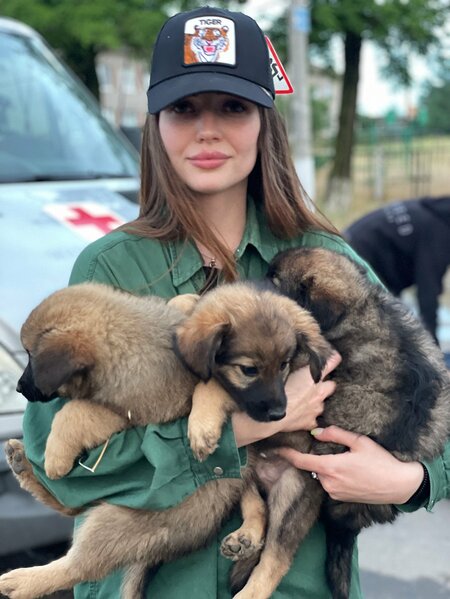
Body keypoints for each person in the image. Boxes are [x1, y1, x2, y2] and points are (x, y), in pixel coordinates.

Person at [21, 6, 450, 599]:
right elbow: (57, 469)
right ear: (155, 123)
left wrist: (411, 480)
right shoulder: (109, 269)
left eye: (233, 107)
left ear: (264, 121)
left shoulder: (322, 262)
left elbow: (431, 395)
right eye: (183, 108)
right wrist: (239, 430)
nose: (207, 130)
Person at [344, 196, 450, 345]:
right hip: (357, 263)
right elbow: (428, 292)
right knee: (388, 335)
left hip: (352, 248)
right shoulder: (438, 232)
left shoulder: (433, 211)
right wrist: (434, 348)